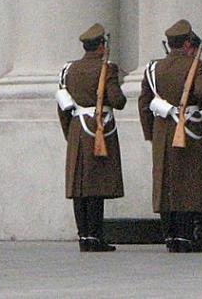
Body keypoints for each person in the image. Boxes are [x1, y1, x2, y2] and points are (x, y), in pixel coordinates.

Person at [139, 19, 202, 252]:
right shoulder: (197, 66)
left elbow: (143, 103)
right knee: (189, 182)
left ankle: (171, 236)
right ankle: (186, 238)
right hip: (189, 129)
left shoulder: (153, 68)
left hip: (162, 131)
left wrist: (151, 134)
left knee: (166, 182)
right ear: (188, 43)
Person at [57, 22, 126, 252]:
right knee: (97, 186)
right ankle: (95, 236)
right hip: (99, 128)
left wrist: (71, 133)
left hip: (78, 127)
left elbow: (62, 107)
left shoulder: (69, 70)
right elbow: (118, 101)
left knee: (80, 187)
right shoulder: (107, 69)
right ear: (100, 47)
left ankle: (83, 236)